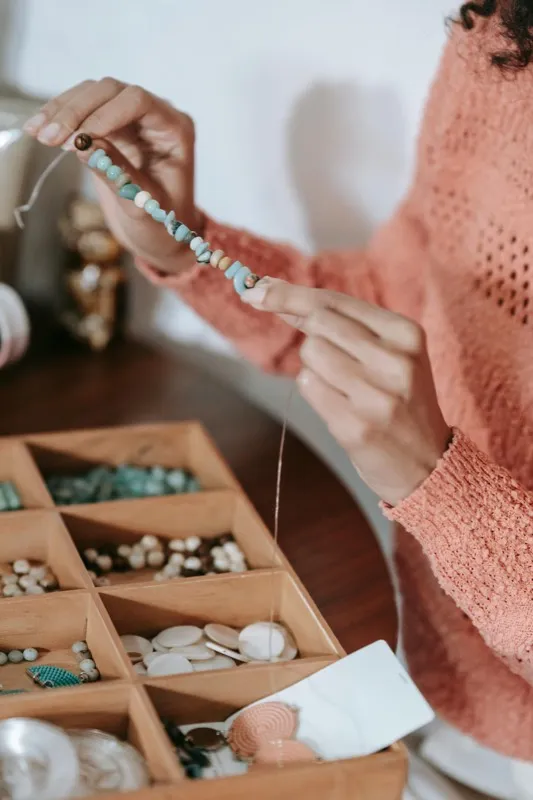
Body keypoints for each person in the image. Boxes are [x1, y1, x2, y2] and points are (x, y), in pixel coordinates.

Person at [22, 2, 533, 797]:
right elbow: (395, 305)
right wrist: (182, 240)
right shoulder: (502, 32)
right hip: (431, 674)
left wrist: (440, 486)